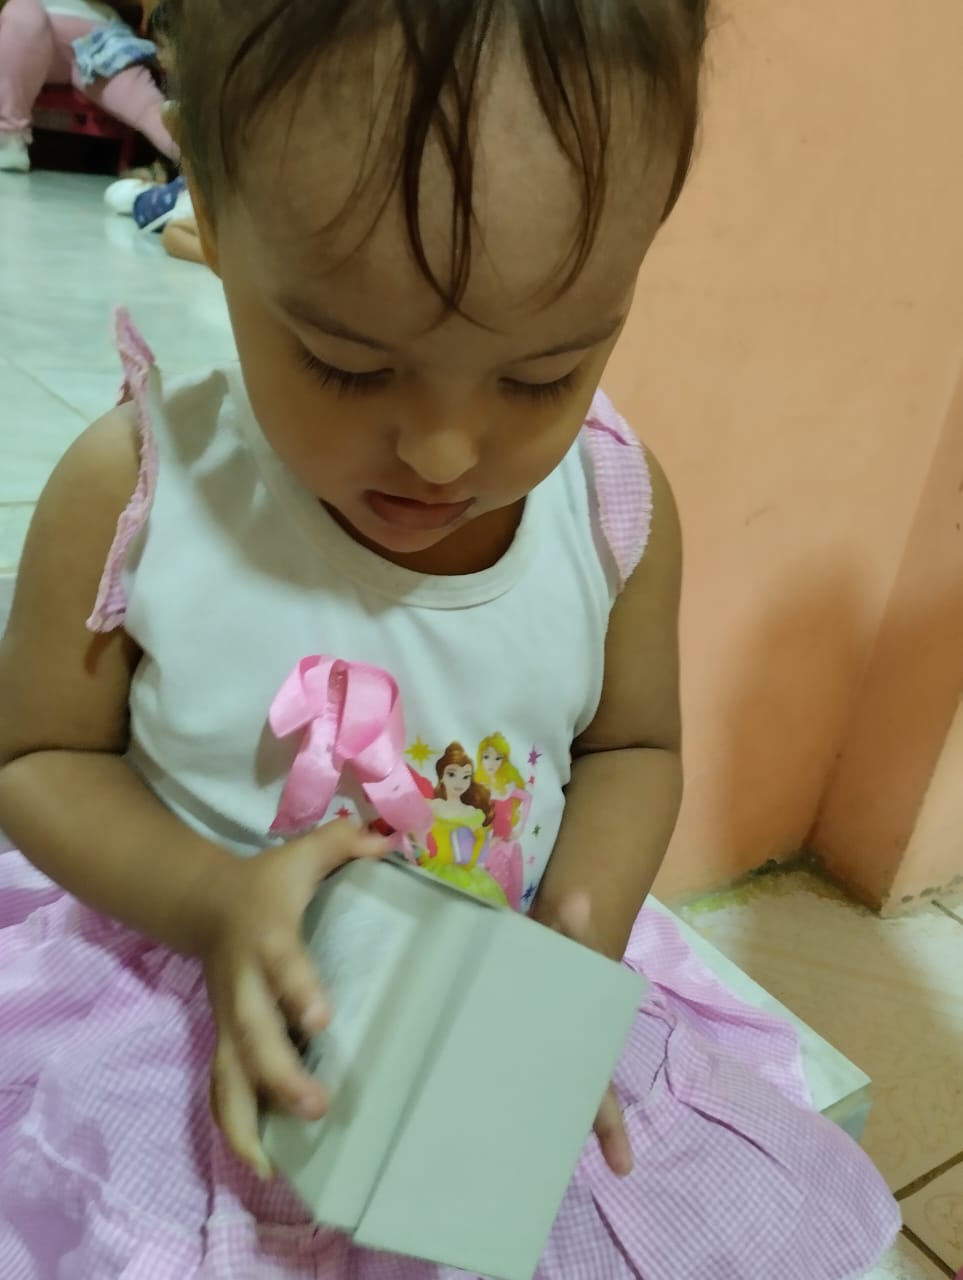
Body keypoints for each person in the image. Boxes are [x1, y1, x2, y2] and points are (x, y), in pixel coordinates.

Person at [0, 1, 900, 1276]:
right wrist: (210, 898)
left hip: (495, 985)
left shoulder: (611, 508)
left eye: (541, 375)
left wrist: (574, 937)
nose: (442, 453)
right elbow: (35, 758)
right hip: (191, 981)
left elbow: (631, 748)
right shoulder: (142, 491)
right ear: (207, 200)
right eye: (348, 364)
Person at [0, 0, 176, 173]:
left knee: (148, 106)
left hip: (104, 34)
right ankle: (8, 136)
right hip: (35, 21)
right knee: (22, 15)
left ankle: (186, 154)